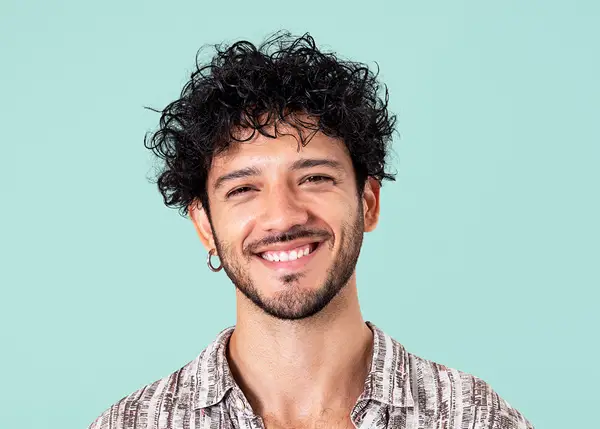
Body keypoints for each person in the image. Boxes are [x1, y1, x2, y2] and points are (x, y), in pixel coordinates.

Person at [88, 31, 534, 429]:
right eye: (244, 188)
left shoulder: (474, 418)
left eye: (315, 178)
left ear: (368, 203)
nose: (283, 217)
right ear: (205, 225)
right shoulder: (133, 423)